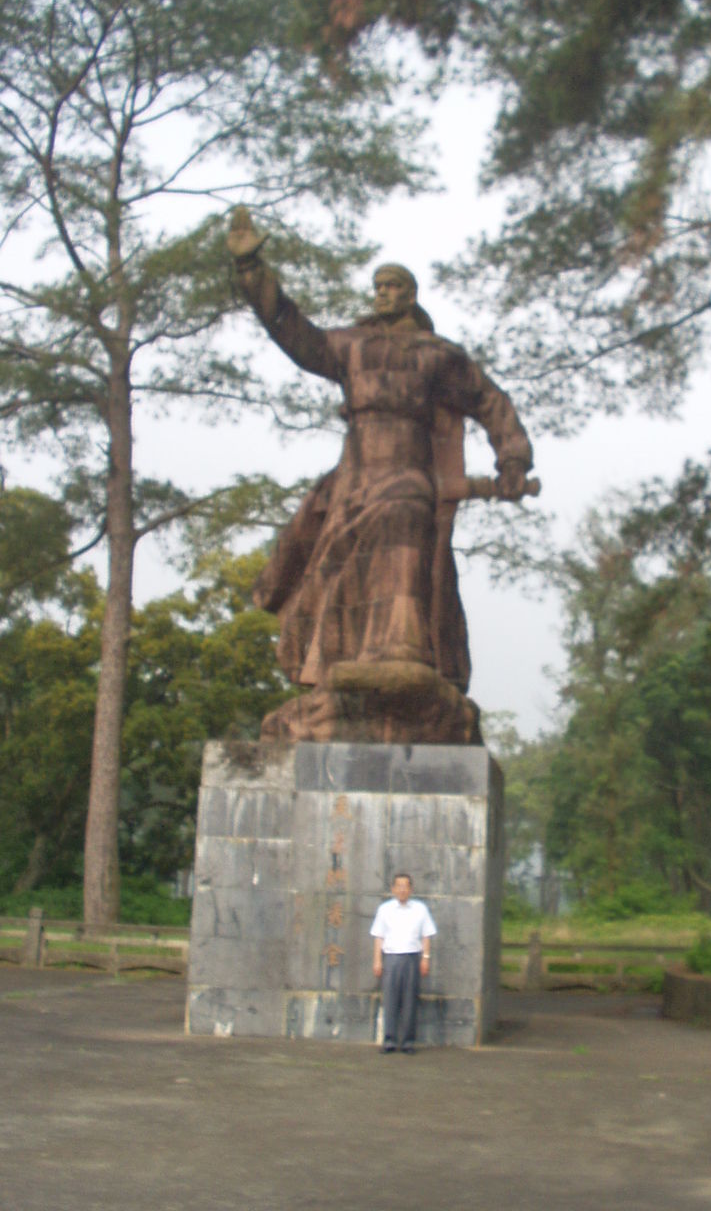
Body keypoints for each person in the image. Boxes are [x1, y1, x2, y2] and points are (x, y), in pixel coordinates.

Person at [226, 207, 534, 743]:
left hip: (410, 462)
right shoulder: (349, 346)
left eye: (393, 286)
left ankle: (403, 652)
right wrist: (252, 268)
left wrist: (512, 459)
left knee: (404, 529)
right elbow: (292, 330)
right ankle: (346, 665)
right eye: (378, 286)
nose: (383, 293)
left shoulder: (438, 354)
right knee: (336, 564)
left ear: (410, 295)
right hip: (356, 470)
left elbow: (489, 399)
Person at [370, 873, 437, 1054]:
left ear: (411, 889)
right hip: (391, 958)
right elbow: (378, 936)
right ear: (393, 889)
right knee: (390, 1000)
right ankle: (389, 1040)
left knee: (410, 1000)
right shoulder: (385, 909)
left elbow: (427, 935)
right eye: (398, 886)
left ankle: (408, 1041)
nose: (402, 890)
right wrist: (377, 960)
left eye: (405, 886)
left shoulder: (420, 909)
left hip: (412, 958)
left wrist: (426, 958)